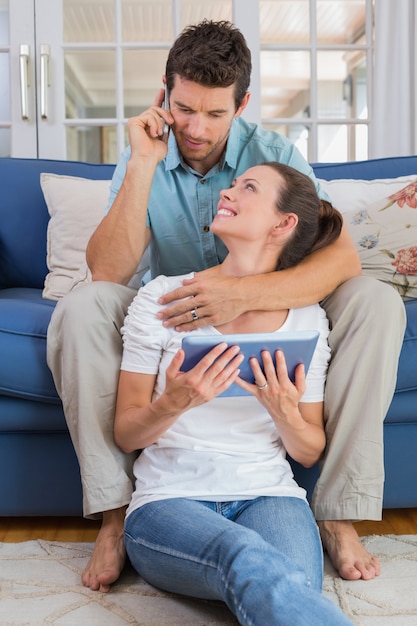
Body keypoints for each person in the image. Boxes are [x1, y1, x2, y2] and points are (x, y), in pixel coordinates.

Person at [46, 19, 406, 593]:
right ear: (165, 91)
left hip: (264, 299)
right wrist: (143, 164)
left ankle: (336, 513)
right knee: (84, 305)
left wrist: (240, 293)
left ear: (241, 105)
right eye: (184, 108)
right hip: (163, 308)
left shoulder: (272, 155)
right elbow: (108, 272)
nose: (195, 127)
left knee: (377, 302)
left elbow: (339, 260)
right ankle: (116, 515)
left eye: (215, 114)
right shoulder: (144, 150)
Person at [114, 160, 353, 625]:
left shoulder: (307, 319)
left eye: (248, 188)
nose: (227, 193)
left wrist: (284, 413)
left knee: (288, 584)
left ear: (283, 224)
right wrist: (172, 404)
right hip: (170, 499)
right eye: (233, 184)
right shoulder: (163, 297)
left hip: (270, 495)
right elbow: (126, 434)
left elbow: (309, 451)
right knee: (246, 556)